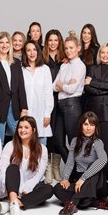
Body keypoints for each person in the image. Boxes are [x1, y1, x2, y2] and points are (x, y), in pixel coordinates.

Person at [0, 116, 53, 215]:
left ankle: (13, 204)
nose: (22, 130)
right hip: (12, 185)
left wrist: (27, 188)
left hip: (30, 186)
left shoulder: (42, 149)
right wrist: (10, 187)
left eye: (26, 127)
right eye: (20, 127)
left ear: (33, 130)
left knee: (49, 189)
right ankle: (14, 201)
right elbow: (3, 169)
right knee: (12, 168)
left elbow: (39, 174)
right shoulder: (10, 145)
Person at [54, 111, 108, 215]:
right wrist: (65, 178)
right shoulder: (75, 141)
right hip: (80, 183)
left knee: (92, 165)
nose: (88, 128)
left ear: (96, 127)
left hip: (97, 183)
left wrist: (83, 178)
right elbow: (70, 162)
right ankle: (96, 203)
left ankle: (73, 203)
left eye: (92, 125)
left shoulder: (97, 142)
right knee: (57, 189)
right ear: (81, 126)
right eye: (86, 124)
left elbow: (103, 160)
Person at [0, 31, 28, 145]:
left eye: (7, 42)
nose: (4, 45)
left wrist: (24, 108)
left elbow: (21, 87)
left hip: (15, 107)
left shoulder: (16, 63)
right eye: (1, 42)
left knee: (22, 139)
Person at [84, 43, 108, 161]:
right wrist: (107, 89)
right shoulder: (92, 68)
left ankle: (107, 173)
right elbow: (87, 88)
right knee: (92, 148)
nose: (105, 55)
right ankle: (94, 173)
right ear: (99, 54)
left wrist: (93, 82)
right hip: (93, 112)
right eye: (103, 52)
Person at [53, 34, 86, 162]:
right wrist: (65, 84)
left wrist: (61, 84)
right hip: (61, 105)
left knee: (74, 142)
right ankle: (71, 169)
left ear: (78, 48)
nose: (68, 51)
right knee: (58, 140)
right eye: (66, 48)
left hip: (72, 105)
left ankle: (79, 171)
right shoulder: (64, 65)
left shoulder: (80, 66)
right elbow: (53, 86)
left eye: (71, 48)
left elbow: (71, 89)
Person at [42, 29, 65, 183]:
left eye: (56, 40)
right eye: (50, 40)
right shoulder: (43, 60)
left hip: (61, 101)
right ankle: (48, 167)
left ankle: (56, 166)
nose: (53, 43)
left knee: (59, 135)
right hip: (47, 101)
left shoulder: (64, 59)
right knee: (48, 134)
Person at [21, 40, 54, 144]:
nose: (32, 53)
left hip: (41, 114)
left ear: (38, 51)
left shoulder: (45, 69)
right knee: (25, 146)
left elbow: (48, 93)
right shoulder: (21, 69)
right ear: (25, 53)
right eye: (28, 50)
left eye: (34, 50)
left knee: (41, 147)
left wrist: (47, 114)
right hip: (25, 113)